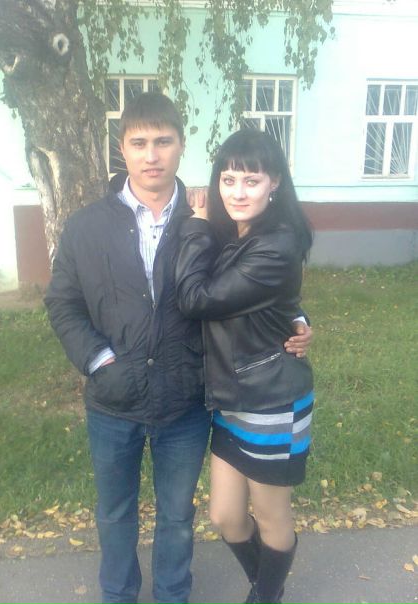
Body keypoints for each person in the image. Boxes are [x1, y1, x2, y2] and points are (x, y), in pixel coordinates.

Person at [44, 93, 312, 604]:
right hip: (112, 400)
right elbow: (62, 302)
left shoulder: (210, 219)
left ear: (181, 146)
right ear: (121, 148)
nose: (152, 155)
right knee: (115, 514)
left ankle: (173, 596)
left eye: (163, 141)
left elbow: (257, 282)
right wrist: (98, 362)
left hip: (185, 399)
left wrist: (297, 319)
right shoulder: (86, 225)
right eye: (139, 142)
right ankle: (118, 596)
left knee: (177, 516)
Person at [175, 129, 314, 604]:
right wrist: (298, 318)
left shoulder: (276, 242)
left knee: (272, 518)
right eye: (228, 179)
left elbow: (197, 299)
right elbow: (270, 302)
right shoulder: (239, 232)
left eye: (251, 181)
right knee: (226, 517)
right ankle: (267, 586)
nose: (237, 192)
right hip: (232, 396)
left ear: (274, 182)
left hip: (271, 399)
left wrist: (194, 227)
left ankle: (266, 595)